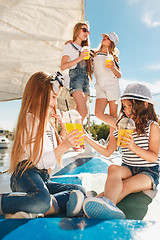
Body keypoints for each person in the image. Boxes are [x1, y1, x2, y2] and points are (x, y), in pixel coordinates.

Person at [0, 71, 86, 219]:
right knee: (42, 200)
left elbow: (50, 158)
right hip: (25, 174)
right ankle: (42, 206)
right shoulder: (30, 120)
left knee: (78, 190)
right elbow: (39, 160)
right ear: (39, 95)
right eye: (53, 97)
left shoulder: (47, 125)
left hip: (43, 177)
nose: (54, 103)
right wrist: (64, 146)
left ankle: (31, 209)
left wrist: (63, 136)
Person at [67, 83, 160, 219]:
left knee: (125, 185)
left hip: (148, 171)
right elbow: (107, 152)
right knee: (113, 168)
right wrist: (86, 137)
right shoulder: (120, 126)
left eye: (130, 106)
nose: (127, 110)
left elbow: (153, 157)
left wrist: (133, 146)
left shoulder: (152, 127)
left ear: (145, 105)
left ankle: (103, 207)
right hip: (128, 168)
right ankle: (93, 207)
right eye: (124, 106)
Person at [61, 22, 92, 123]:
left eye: (88, 31)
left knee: (78, 113)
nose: (86, 33)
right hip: (75, 79)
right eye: (84, 30)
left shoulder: (86, 48)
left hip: (85, 80)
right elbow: (63, 66)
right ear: (77, 30)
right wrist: (80, 58)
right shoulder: (69, 46)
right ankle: (68, 134)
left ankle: (67, 135)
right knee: (83, 112)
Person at [92, 32, 121, 138]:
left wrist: (113, 68)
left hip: (112, 86)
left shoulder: (113, 57)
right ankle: (125, 129)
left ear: (112, 43)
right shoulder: (94, 54)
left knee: (113, 117)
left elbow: (119, 75)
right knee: (98, 113)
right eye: (104, 36)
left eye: (108, 38)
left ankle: (113, 146)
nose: (104, 38)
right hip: (100, 87)